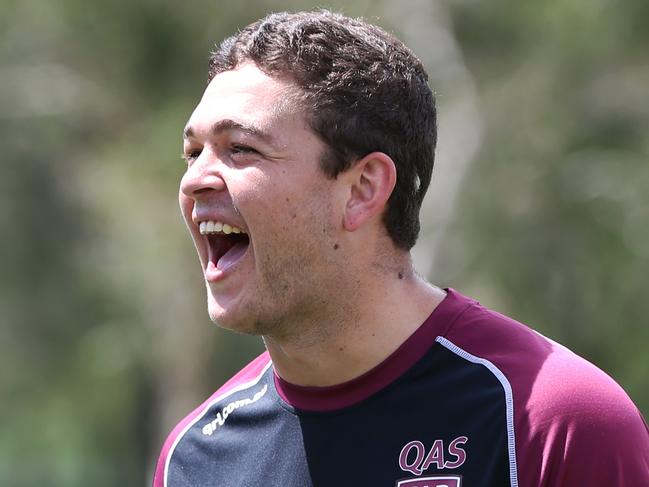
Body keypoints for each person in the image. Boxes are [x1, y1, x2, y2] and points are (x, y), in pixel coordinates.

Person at [153, 10, 649, 487]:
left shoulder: (552, 421)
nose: (194, 180)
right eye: (194, 153)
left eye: (241, 148)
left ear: (363, 189)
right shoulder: (192, 458)